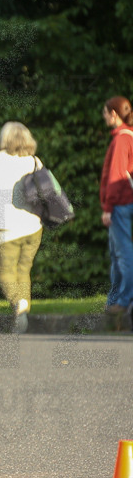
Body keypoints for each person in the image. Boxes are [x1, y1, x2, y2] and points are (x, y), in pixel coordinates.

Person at [0, 121, 45, 333]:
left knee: (6, 273)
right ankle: (22, 308)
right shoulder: (34, 162)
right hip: (33, 225)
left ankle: (19, 303)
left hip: (6, 228)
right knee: (23, 271)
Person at [99, 96, 133, 321]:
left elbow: (116, 176)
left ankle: (123, 300)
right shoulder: (127, 136)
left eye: (105, 112)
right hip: (124, 201)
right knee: (118, 254)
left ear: (114, 114)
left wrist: (108, 207)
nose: (103, 117)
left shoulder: (121, 139)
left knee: (123, 254)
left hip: (120, 203)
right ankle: (115, 301)